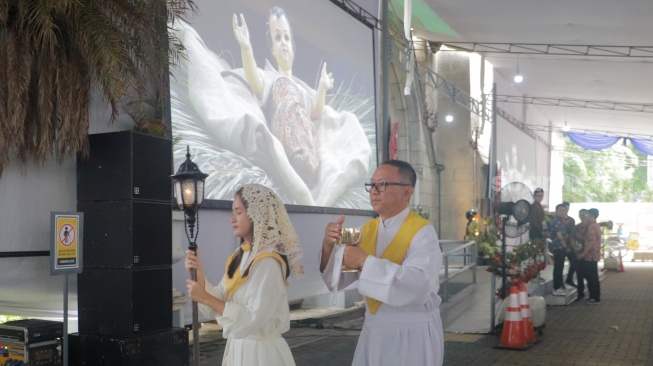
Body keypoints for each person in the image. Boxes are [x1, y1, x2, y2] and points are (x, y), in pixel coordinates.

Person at [319, 160, 444, 366]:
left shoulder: (423, 231)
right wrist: (328, 244)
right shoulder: (363, 229)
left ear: (407, 192)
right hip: (374, 328)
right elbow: (336, 277)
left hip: (410, 332)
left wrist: (363, 261)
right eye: (371, 185)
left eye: (382, 184)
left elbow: (417, 284)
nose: (374, 191)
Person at [185, 183, 304, 366]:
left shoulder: (268, 262)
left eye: (239, 212)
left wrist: (205, 298)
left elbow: (251, 318)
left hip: (261, 355)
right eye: (233, 212)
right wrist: (200, 275)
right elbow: (221, 300)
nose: (232, 219)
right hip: (238, 348)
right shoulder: (239, 256)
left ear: (258, 215)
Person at [233, 6, 334, 188]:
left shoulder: (302, 89)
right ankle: (300, 161)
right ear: (272, 49)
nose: (284, 43)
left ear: (294, 49)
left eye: (286, 37)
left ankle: (308, 164)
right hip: (289, 142)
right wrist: (246, 48)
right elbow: (255, 80)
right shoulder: (271, 77)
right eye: (278, 38)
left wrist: (323, 87)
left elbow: (316, 111)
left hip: (307, 142)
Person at [577, 208, 602, 304]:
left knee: (592, 277)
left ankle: (594, 297)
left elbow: (591, 243)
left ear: (591, 216)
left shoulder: (591, 227)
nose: (585, 217)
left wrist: (583, 254)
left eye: (586, 215)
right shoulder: (596, 225)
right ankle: (594, 296)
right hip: (594, 254)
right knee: (592, 276)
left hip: (591, 255)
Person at [549, 204, 570, 296]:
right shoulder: (556, 221)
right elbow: (559, 236)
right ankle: (556, 287)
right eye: (560, 210)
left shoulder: (561, 221)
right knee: (558, 268)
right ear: (556, 211)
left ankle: (559, 286)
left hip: (560, 247)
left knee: (560, 267)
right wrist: (565, 247)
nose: (563, 212)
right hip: (558, 247)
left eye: (564, 210)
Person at [573, 209, 589, 301]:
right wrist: (575, 249)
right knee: (579, 274)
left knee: (589, 275)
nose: (582, 217)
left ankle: (592, 294)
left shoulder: (590, 227)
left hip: (587, 253)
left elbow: (591, 241)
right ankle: (580, 294)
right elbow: (572, 238)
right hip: (578, 252)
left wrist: (582, 238)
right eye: (580, 215)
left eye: (584, 215)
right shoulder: (576, 227)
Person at [561, 202, 578, 288]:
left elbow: (573, 233)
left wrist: (572, 244)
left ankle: (569, 279)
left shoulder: (571, 220)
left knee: (574, 262)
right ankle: (560, 283)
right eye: (564, 208)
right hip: (560, 245)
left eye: (567, 208)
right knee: (559, 265)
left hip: (569, 244)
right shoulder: (558, 220)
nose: (566, 210)